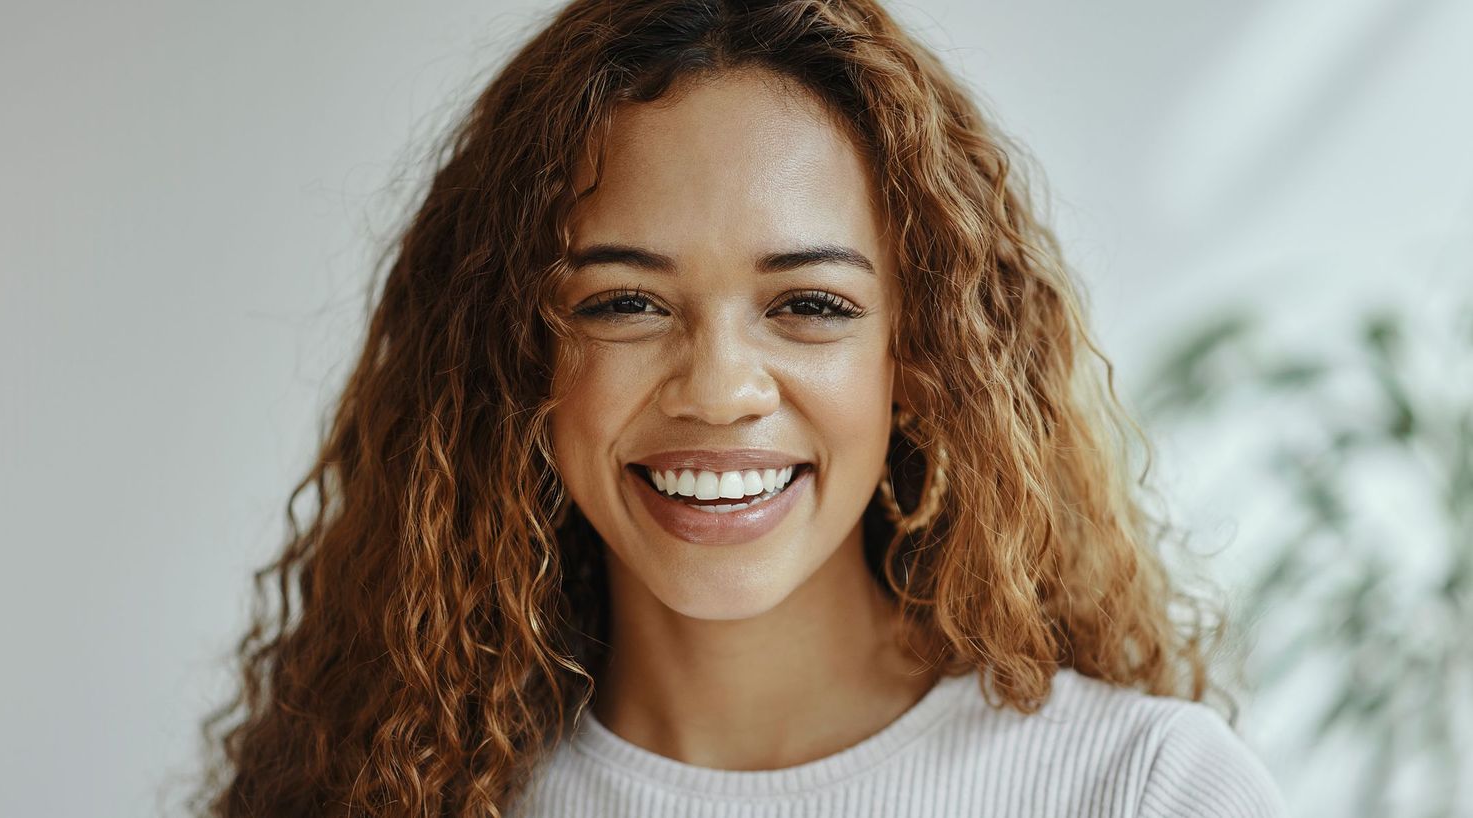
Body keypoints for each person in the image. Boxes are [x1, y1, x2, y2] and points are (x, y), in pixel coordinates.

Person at [191, 1, 1288, 816]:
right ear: (515, 357)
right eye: (624, 302)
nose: (719, 387)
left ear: (922, 355)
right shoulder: (378, 793)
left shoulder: (1141, 791)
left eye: (809, 303)